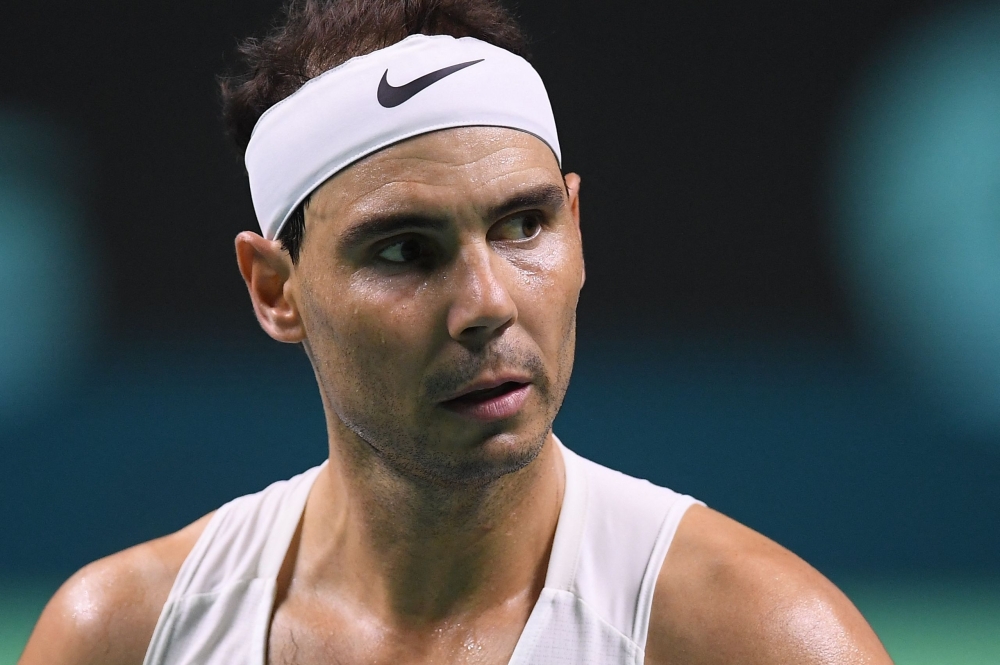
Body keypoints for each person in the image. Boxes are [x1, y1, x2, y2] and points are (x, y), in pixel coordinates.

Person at [19, 1, 893, 663]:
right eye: (404, 249)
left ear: (578, 227)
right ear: (276, 288)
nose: (487, 302)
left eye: (523, 225)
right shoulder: (123, 637)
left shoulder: (760, 639)